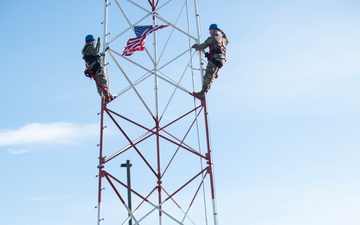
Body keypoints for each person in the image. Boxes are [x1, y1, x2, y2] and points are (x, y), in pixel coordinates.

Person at [191, 24, 229, 99]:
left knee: (208, 75)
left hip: (215, 59)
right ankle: (203, 92)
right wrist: (223, 32)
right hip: (221, 60)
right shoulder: (222, 40)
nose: (209, 32)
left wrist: (196, 47)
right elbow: (227, 40)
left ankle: (202, 93)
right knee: (211, 75)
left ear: (214, 30)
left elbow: (203, 46)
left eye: (210, 30)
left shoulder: (212, 38)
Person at [82, 34, 112, 102]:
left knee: (98, 82)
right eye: (93, 42)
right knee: (102, 80)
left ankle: (103, 95)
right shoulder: (89, 48)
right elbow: (95, 52)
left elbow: (94, 56)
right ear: (91, 41)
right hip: (95, 66)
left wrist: (101, 55)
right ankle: (105, 94)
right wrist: (98, 43)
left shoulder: (86, 49)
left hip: (92, 68)